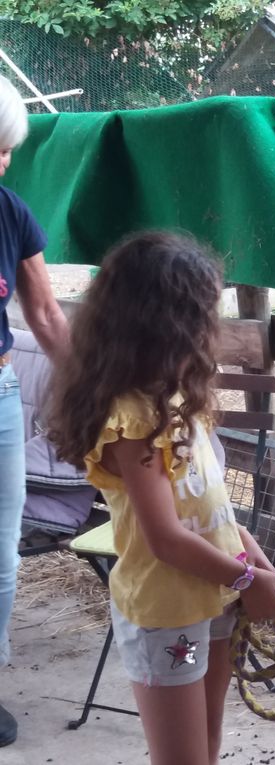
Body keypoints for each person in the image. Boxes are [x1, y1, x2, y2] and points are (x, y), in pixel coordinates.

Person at [48, 231, 275, 765]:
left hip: (214, 593)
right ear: (167, 325)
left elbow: (206, 506)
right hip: (167, 611)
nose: (212, 330)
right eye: (203, 316)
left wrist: (248, 550)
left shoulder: (178, 399)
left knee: (207, 745)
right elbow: (164, 537)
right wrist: (246, 578)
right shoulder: (132, 419)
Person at [0, 75, 69, 747]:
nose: (4, 160)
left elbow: (45, 312)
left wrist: (95, 377)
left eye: (6, 149)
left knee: (2, 555)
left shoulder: (11, 213)